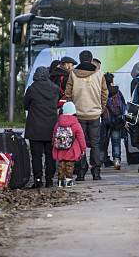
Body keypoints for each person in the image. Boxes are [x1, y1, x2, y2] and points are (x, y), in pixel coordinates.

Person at [65, 50, 108, 181]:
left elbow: (68, 94)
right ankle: (96, 172)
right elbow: (104, 94)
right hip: (95, 114)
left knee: (79, 143)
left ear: (79, 59)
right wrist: (101, 108)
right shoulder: (99, 74)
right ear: (91, 60)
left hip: (78, 115)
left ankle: (81, 172)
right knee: (95, 144)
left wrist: (72, 109)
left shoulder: (73, 74)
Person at [24, 66, 59, 188]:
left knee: (36, 156)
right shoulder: (55, 89)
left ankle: (38, 180)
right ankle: (49, 180)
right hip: (51, 127)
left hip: (35, 128)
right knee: (51, 156)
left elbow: (25, 105)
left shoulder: (32, 89)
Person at [52, 102, 87, 187]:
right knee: (69, 166)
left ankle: (60, 181)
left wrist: (54, 144)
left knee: (61, 165)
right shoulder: (76, 124)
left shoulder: (58, 123)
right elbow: (81, 138)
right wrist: (83, 148)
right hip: (71, 149)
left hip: (60, 149)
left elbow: (54, 135)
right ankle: (69, 181)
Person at [100, 73, 126, 170]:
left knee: (103, 142)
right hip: (116, 121)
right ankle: (116, 160)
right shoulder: (117, 91)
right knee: (116, 142)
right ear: (112, 81)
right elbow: (123, 105)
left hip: (105, 120)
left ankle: (100, 160)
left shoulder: (102, 92)